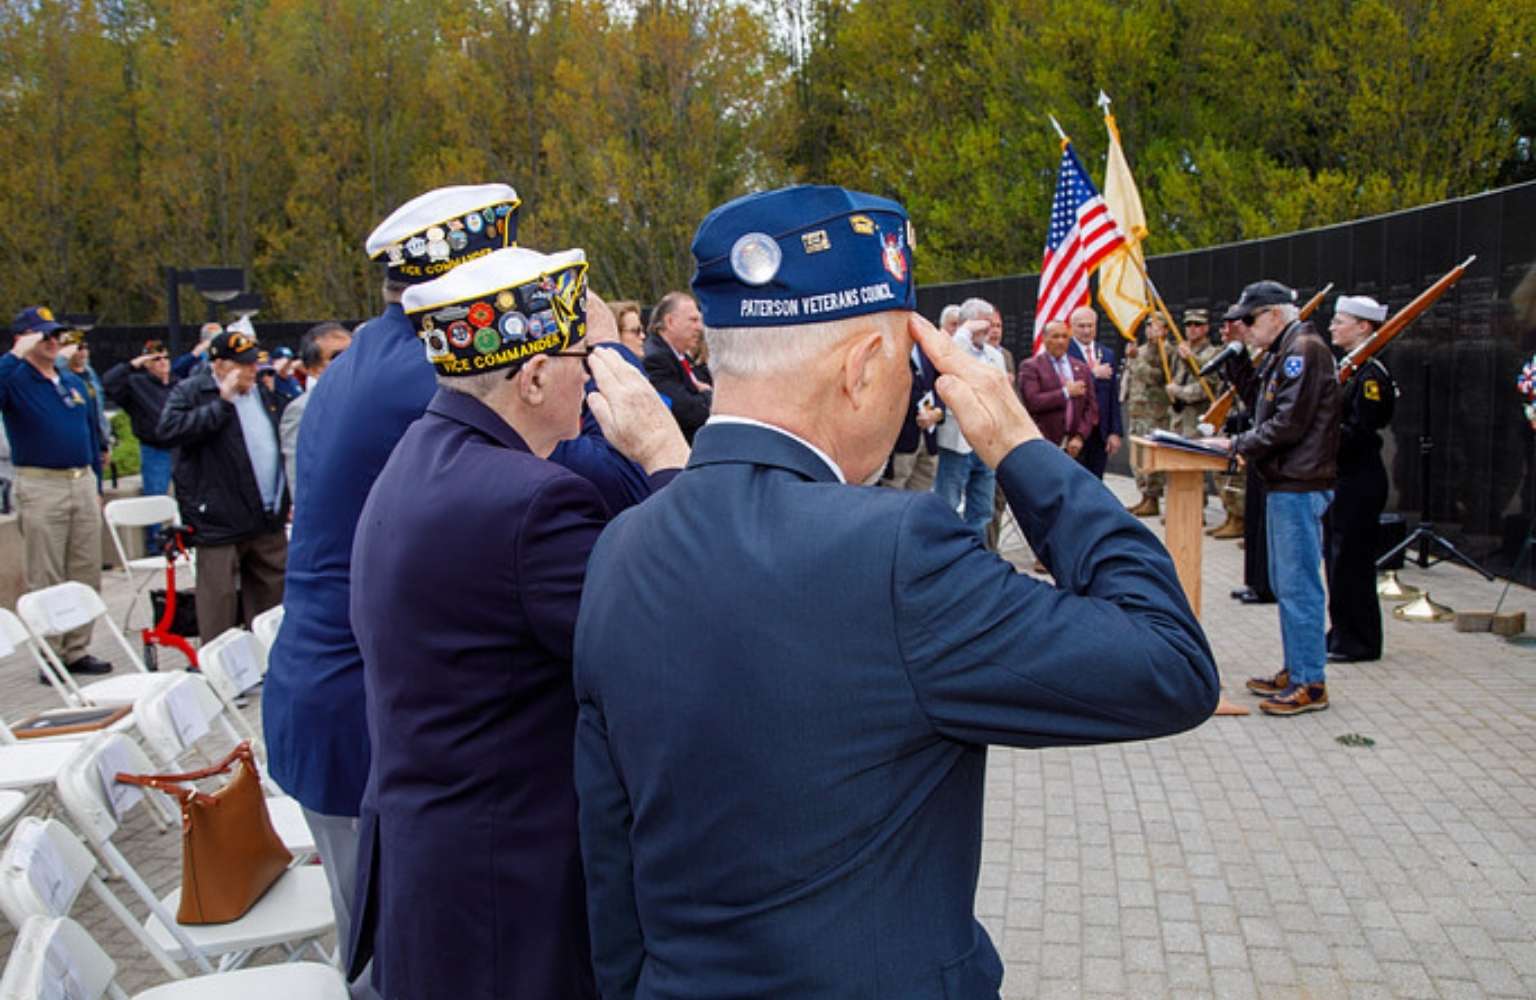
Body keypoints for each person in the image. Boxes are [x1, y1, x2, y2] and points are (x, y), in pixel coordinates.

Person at [572, 184, 1219, 999]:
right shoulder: (897, 550)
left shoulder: (623, 545)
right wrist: (1019, 446)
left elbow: (610, 849)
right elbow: (1170, 662)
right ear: (862, 368)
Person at [348, 246, 688, 1000]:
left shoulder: (425, 453)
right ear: (533, 376)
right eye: (581, 359)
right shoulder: (529, 500)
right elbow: (671, 634)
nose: (590, 377)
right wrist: (668, 461)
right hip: (503, 894)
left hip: (441, 866)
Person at [264, 181, 522, 1000]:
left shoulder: (369, 356)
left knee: (380, 947)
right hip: (360, 707)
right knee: (393, 965)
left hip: (333, 688)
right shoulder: (430, 369)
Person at [1207, 280, 1341, 716]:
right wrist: (1237, 363)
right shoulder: (1284, 349)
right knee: (1287, 582)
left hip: (1299, 482)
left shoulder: (1303, 350)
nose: (1245, 328)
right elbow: (1261, 405)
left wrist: (1237, 444)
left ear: (1275, 314)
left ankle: (1310, 682)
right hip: (1286, 480)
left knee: (1299, 584)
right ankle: (1297, 667)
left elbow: (1288, 424)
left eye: (1250, 319)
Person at [156, 329, 289, 644]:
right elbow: (169, 431)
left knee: (272, 596)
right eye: (243, 365)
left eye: (254, 363)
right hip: (219, 517)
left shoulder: (262, 393)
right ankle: (219, 663)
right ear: (219, 365)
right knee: (219, 600)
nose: (252, 370)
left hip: (264, 514)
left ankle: (267, 658)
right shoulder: (192, 391)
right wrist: (222, 403)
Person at [0, 306, 112, 677]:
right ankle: (51, 655)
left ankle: (77, 649)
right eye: (42, 335)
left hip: (81, 480)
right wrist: (15, 355)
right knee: (46, 574)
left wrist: (96, 483)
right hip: (41, 482)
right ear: (24, 338)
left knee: (85, 570)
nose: (52, 342)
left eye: (55, 335)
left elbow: (89, 434)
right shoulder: (15, 378)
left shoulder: (71, 381)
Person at [1326, 294, 1396, 662]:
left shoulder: (1371, 375)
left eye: (1340, 321)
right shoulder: (1351, 368)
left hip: (1359, 477)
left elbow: (1362, 430)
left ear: (1364, 326)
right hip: (1342, 475)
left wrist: (1321, 433)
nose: (1332, 327)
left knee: (1352, 562)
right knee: (1338, 562)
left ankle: (1360, 641)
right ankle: (1342, 631)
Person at [933, 297, 1006, 540]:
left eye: (993, 324)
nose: (990, 329)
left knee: (982, 509)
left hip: (987, 443)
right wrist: (965, 331)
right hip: (958, 441)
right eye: (984, 323)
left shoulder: (995, 356)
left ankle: (975, 553)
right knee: (948, 505)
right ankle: (944, 552)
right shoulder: (955, 348)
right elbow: (948, 357)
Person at [102, 339, 179, 550]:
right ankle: (156, 546)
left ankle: (185, 543)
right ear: (146, 363)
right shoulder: (136, 384)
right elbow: (108, 384)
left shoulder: (177, 383)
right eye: (156, 359)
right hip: (155, 450)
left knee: (187, 498)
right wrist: (133, 364)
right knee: (155, 499)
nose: (162, 362)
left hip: (181, 448)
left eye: (165, 358)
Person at [278, 321, 352, 505]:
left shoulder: (375, 400)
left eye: (355, 351)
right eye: (338, 356)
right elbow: (300, 479)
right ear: (313, 369)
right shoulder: (301, 410)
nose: (351, 360)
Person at [1018, 319, 1098, 459]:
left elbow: (1091, 407)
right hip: (1043, 443)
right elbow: (1033, 401)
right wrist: (1066, 393)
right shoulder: (1031, 367)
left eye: (1064, 336)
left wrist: (1079, 436)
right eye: (1055, 336)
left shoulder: (1081, 368)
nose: (1061, 341)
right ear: (1044, 339)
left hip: (1074, 447)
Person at [643, 291, 711, 441]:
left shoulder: (679, 355)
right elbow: (689, 412)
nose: (700, 327)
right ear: (670, 322)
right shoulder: (656, 359)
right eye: (693, 320)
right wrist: (708, 394)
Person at [1124, 314, 1174, 515]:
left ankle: (1153, 498)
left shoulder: (1167, 351)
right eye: (1148, 326)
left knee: (1152, 458)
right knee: (1137, 458)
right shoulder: (1141, 350)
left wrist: (1136, 360)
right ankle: (1144, 496)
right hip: (1137, 411)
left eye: (1156, 326)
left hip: (1155, 413)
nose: (1151, 330)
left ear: (1165, 330)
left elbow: (1157, 377)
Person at [881, 329, 943, 492]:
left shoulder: (927, 348)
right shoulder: (887, 350)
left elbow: (940, 383)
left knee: (921, 496)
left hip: (928, 438)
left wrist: (938, 411)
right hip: (901, 440)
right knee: (894, 495)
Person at [1066, 305, 1122, 478]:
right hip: (1075, 431)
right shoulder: (1064, 352)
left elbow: (1113, 396)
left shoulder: (1107, 354)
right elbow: (1067, 386)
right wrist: (1093, 375)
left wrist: (1115, 432)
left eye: (1090, 326)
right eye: (1081, 326)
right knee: (1074, 480)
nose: (1086, 330)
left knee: (1096, 480)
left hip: (1100, 432)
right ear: (1072, 327)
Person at [1207, 304, 1246, 539]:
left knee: (1238, 476)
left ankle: (1240, 519)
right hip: (1226, 419)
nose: (1225, 330)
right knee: (1222, 472)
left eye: (1232, 324)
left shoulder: (1253, 354)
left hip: (1243, 421)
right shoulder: (1229, 353)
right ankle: (1231, 515)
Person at [1168, 309, 1219, 439]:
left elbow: (1206, 387)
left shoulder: (1213, 353)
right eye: (1188, 325)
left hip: (1198, 421)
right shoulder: (1178, 352)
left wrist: (1177, 391)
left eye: (1197, 324)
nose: (1192, 328)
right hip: (1178, 420)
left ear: (1206, 328)